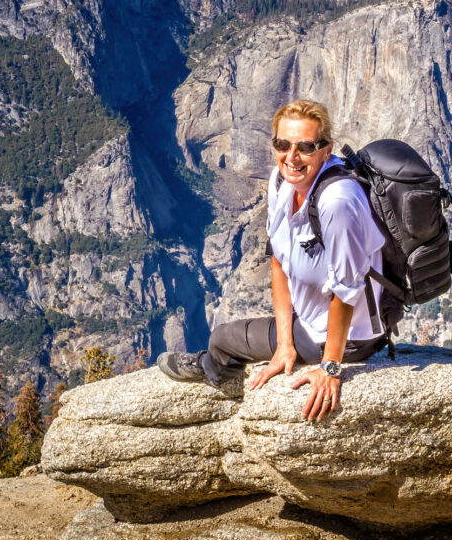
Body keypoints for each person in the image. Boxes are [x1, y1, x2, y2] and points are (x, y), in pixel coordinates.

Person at [158, 99, 387, 421]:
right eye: (282, 144)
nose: (291, 157)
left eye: (306, 147)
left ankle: (211, 370)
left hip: (347, 336)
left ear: (326, 149)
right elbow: (279, 260)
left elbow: (346, 291)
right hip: (310, 318)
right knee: (253, 332)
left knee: (223, 337)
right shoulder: (281, 182)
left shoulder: (337, 201)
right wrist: (283, 343)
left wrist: (330, 368)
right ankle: (270, 347)